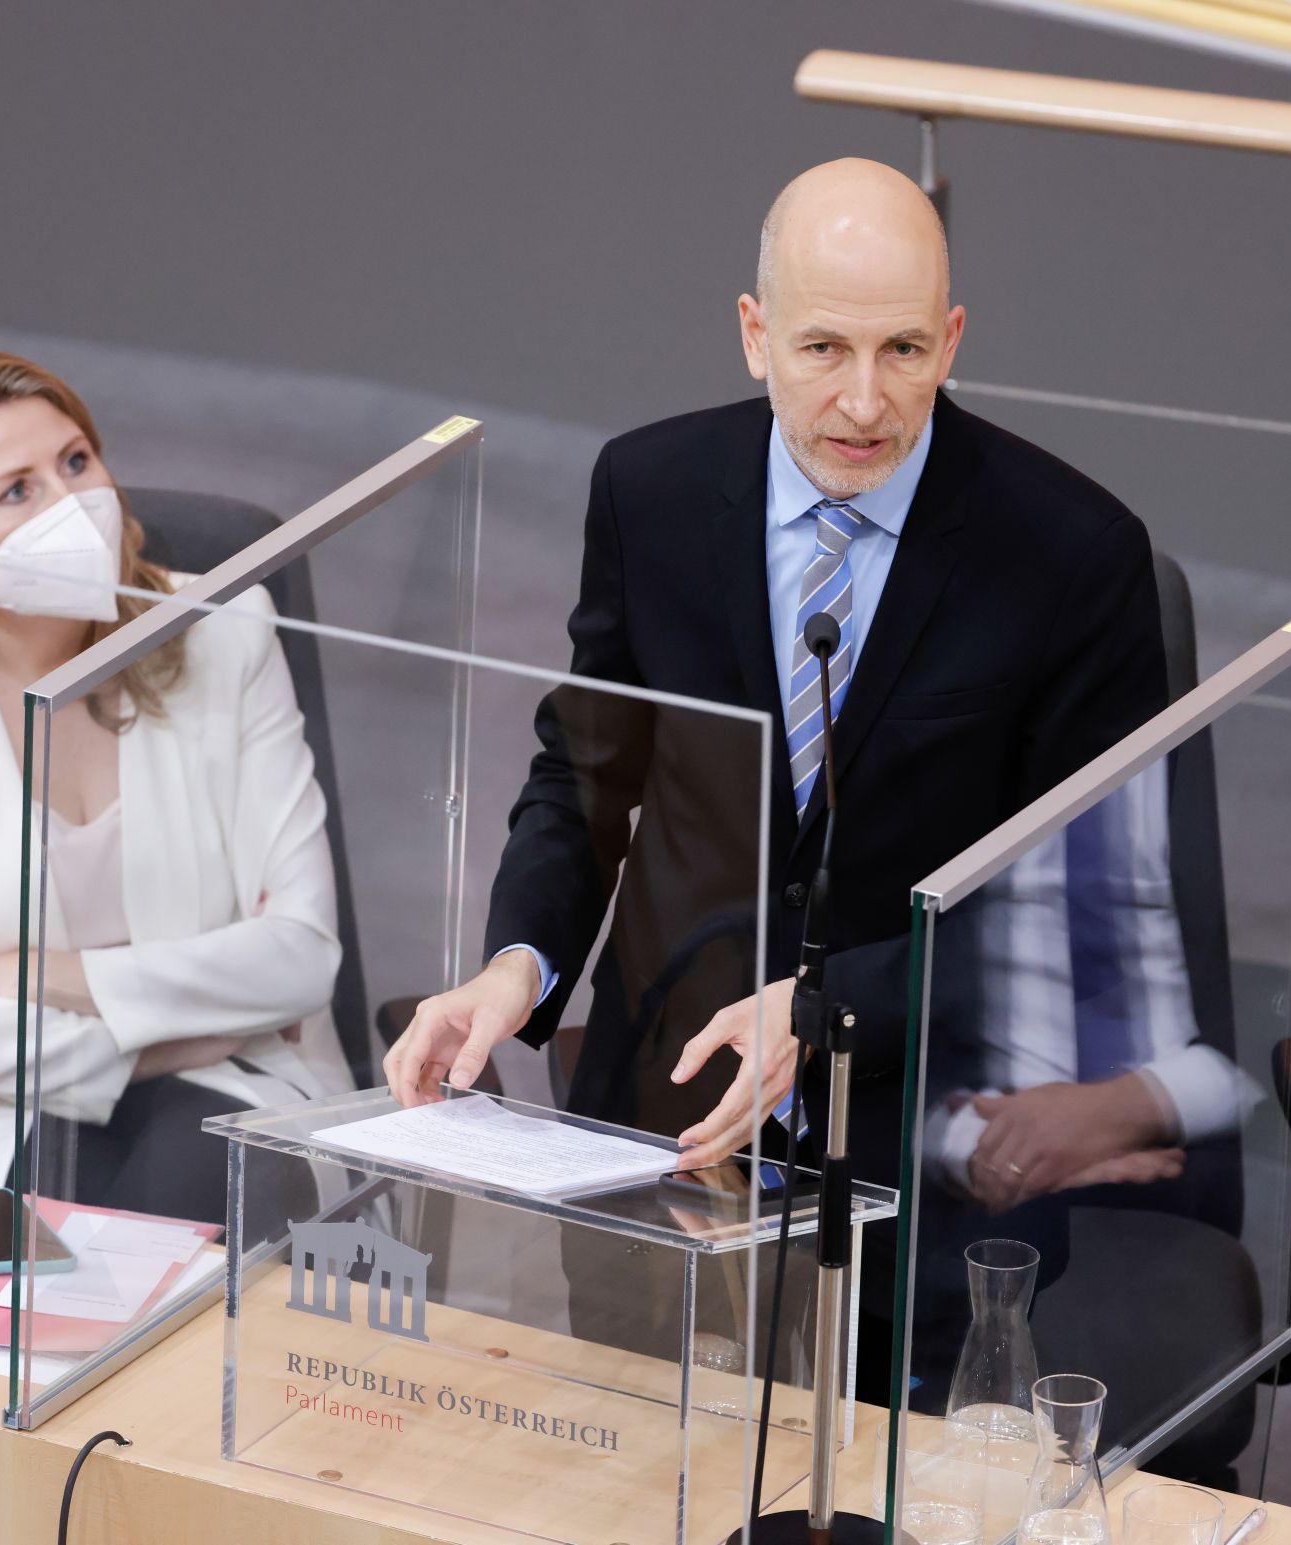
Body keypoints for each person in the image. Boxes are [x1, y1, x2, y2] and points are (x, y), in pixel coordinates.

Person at [383, 159, 1173, 1390]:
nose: (863, 402)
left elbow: (1067, 910)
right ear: (754, 337)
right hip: (667, 1109)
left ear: (952, 338)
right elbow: (585, 777)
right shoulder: (646, 491)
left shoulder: (1071, 555)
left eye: (905, 350)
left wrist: (822, 1012)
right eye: (821, 348)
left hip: (923, 1137)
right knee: (639, 1463)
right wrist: (512, 964)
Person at [0, 347, 352, 1221]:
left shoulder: (224, 629)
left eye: (76, 461)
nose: (76, 506)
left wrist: (31, 973)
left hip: (227, 1083)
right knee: (70, 1223)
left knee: (198, 1169)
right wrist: (175, 1033)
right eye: (17, 491)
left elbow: (301, 956)